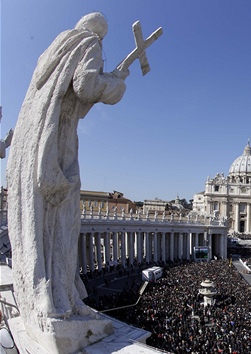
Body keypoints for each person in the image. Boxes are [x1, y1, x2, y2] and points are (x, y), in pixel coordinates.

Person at [7, 12, 129, 328]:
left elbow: (76, 99)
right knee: (63, 220)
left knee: (39, 217)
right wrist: (114, 83)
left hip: (34, 138)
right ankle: (57, 294)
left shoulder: (56, 50)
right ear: (100, 33)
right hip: (59, 140)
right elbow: (86, 86)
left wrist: (111, 79)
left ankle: (44, 291)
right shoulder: (90, 42)